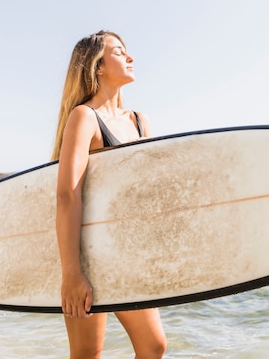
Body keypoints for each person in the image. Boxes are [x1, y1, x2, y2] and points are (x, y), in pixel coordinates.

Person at [51, 30, 167, 359]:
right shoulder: (84, 118)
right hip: (89, 255)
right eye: (120, 52)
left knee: (154, 346)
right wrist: (72, 273)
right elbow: (67, 195)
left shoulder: (140, 122)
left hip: (129, 252)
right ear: (98, 66)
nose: (130, 57)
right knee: (88, 353)